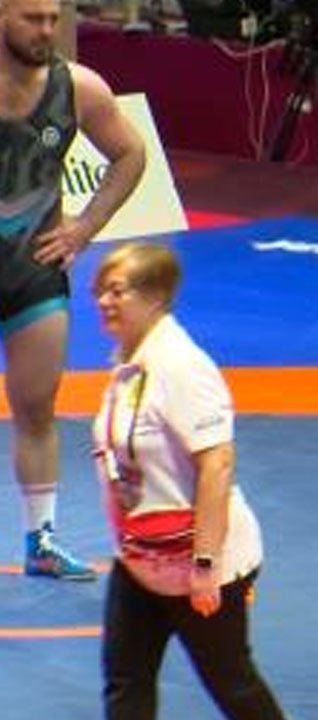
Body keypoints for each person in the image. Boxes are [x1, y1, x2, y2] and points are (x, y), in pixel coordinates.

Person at [91, 242, 287, 720]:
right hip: (141, 556)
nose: (104, 301)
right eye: (101, 291)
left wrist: (205, 564)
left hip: (197, 560)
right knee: (126, 679)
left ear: (156, 297)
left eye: (117, 291)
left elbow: (217, 463)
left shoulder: (181, 366)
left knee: (232, 683)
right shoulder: (130, 362)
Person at [0, 0, 146, 579]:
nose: (46, 30)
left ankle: (41, 540)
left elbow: (130, 153)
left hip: (33, 268)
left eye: (52, 19)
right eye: (31, 19)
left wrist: (86, 227)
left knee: (37, 407)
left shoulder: (78, 87)